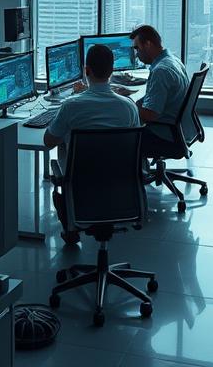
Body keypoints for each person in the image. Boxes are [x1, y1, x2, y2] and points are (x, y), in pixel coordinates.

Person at [43, 44, 141, 245]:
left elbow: (48, 141)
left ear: (86, 70)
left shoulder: (71, 106)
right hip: (119, 182)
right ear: (112, 71)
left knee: (64, 141)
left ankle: (71, 227)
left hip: (81, 182)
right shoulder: (129, 107)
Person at [129, 25, 190, 155]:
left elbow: (150, 115)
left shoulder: (160, 71)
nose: (136, 54)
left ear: (148, 44)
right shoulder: (173, 60)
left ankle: (136, 167)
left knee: (120, 137)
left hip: (165, 134)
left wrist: (128, 103)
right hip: (180, 129)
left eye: (137, 48)